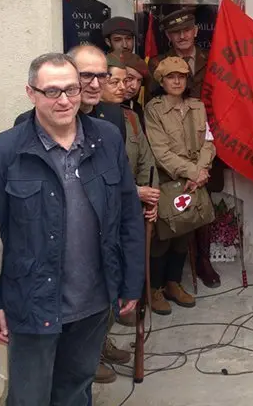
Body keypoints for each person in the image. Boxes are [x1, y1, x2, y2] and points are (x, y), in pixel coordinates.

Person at [0, 52, 144, 406]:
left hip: (93, 298)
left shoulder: (107, 138)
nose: (64, 100)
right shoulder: (6, 151)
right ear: (31, 93)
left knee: (75, 391)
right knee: (30, 397)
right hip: (32, 301)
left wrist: (131, 281)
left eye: (71, 89)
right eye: (52, 91)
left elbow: (128, 214)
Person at [90, 56, 158, 381]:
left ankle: (102, 343)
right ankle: (89, 356)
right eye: (113, 80)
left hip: (126, 214)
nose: (120, 87)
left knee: (114, 282)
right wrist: (137, 193)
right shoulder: (84, 121)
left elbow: (145, 159)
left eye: (123, 81)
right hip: (101, 217)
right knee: (95, 286)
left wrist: (147, 197)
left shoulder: (129, 118)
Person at [144, 57, 216, 313]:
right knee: (164, 236)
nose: (177, 81)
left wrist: (202, 170)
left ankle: (173, 283)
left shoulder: (197, 106)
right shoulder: (154, 109)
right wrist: (194, 172)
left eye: (182, 76)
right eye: (171, 77)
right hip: (168, 182)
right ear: (161, 81)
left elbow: (208, 140)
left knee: (183, 234)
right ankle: (155, 290)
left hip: (193, 181)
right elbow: (161, 152)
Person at [14, 44, 126, 139]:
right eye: (86, 75)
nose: (95, 85)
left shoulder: (114, 115)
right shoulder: (29, 122)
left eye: (101, 76)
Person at [148, 8, 208, 99]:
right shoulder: (158, 63)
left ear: (195, 31)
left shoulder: (211, 57)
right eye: (176, 32)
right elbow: (152, 99)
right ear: (168, 36)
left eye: (187, 30)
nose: (182, 36)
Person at [117, 50, 149, 124]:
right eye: (129, 78)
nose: (134, 86)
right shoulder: (97, 106)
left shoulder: (137, 109)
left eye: (139, 81)